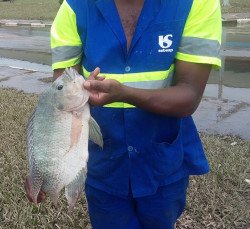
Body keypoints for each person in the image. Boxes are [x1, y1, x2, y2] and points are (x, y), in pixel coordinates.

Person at [25, 0, 222, 228]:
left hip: (161, 159)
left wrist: (124, 93)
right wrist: (40, 169)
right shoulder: (74, 7)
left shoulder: (197, 3)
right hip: (105, 162)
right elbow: (58, 99)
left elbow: (189, 96)